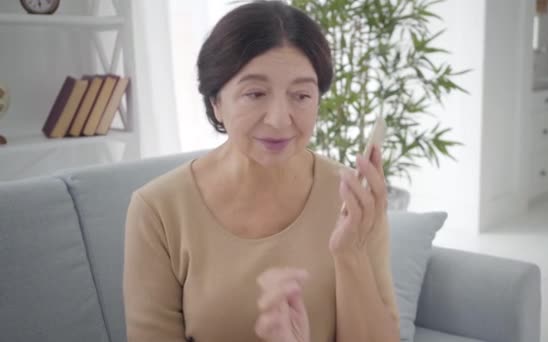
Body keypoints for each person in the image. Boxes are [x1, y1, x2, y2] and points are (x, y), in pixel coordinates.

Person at [123, 1, 399, 341]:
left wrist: (351, 253)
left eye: (301, 95)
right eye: (255, 93)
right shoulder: (158, 211)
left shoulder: (351, 200)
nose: (280, 120)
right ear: (216, 103)